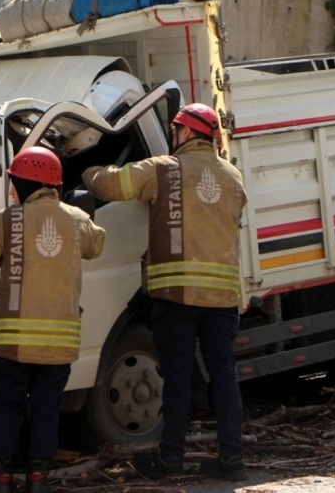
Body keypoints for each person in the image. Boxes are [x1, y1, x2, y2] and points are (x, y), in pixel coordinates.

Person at [81, 103, 249, 481]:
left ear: (187, 133)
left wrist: (88, 168)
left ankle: (171, 458)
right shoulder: (233, 176)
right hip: (222, 300)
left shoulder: (163, 169)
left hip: (177, 296)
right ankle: (233, 461)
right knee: (224, 377)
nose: (173, 137)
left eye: (175, 131)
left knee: (176, 378)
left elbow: (111, 185)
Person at [0, 146, 105, 493]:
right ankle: (38, 482)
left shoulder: (9, 219)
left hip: (10, 344)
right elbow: (97, 245)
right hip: (57, 347)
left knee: (8, 409)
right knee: (47, 411)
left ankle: (1, 482)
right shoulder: (76, 218)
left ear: (22, 181)